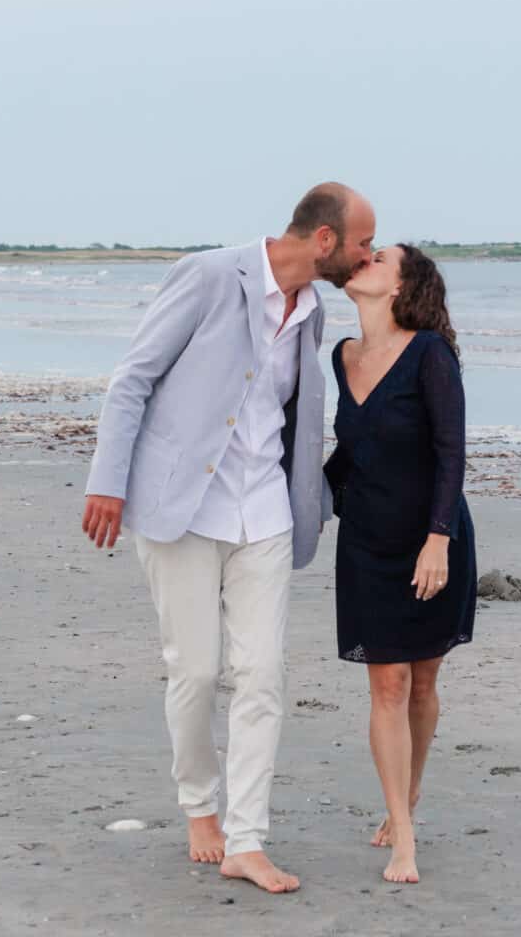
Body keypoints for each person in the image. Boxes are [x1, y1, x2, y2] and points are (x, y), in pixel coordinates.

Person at [82, 183, 375, 894]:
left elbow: (294, 414)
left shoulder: (313, 310)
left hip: (265, 510)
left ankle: (247, 839)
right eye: (364, 241)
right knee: (197, 670)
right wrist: (107, 482)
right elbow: (133, 379)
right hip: (182, 504)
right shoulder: (211, 276)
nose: (369, 254)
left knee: (263, 676)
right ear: (326, 239)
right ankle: (199, 808)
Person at [324, 244, 476, 884]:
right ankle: (403, 832)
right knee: (386, 685)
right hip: (365, 541)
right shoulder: (343, 356)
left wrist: (437, 538)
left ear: (401, 285)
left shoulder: (430, 355)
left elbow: (450, 451)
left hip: (429, 542)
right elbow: (345, 450)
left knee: (422, 683)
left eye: (379, 257)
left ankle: (407, 797)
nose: (364, 259)